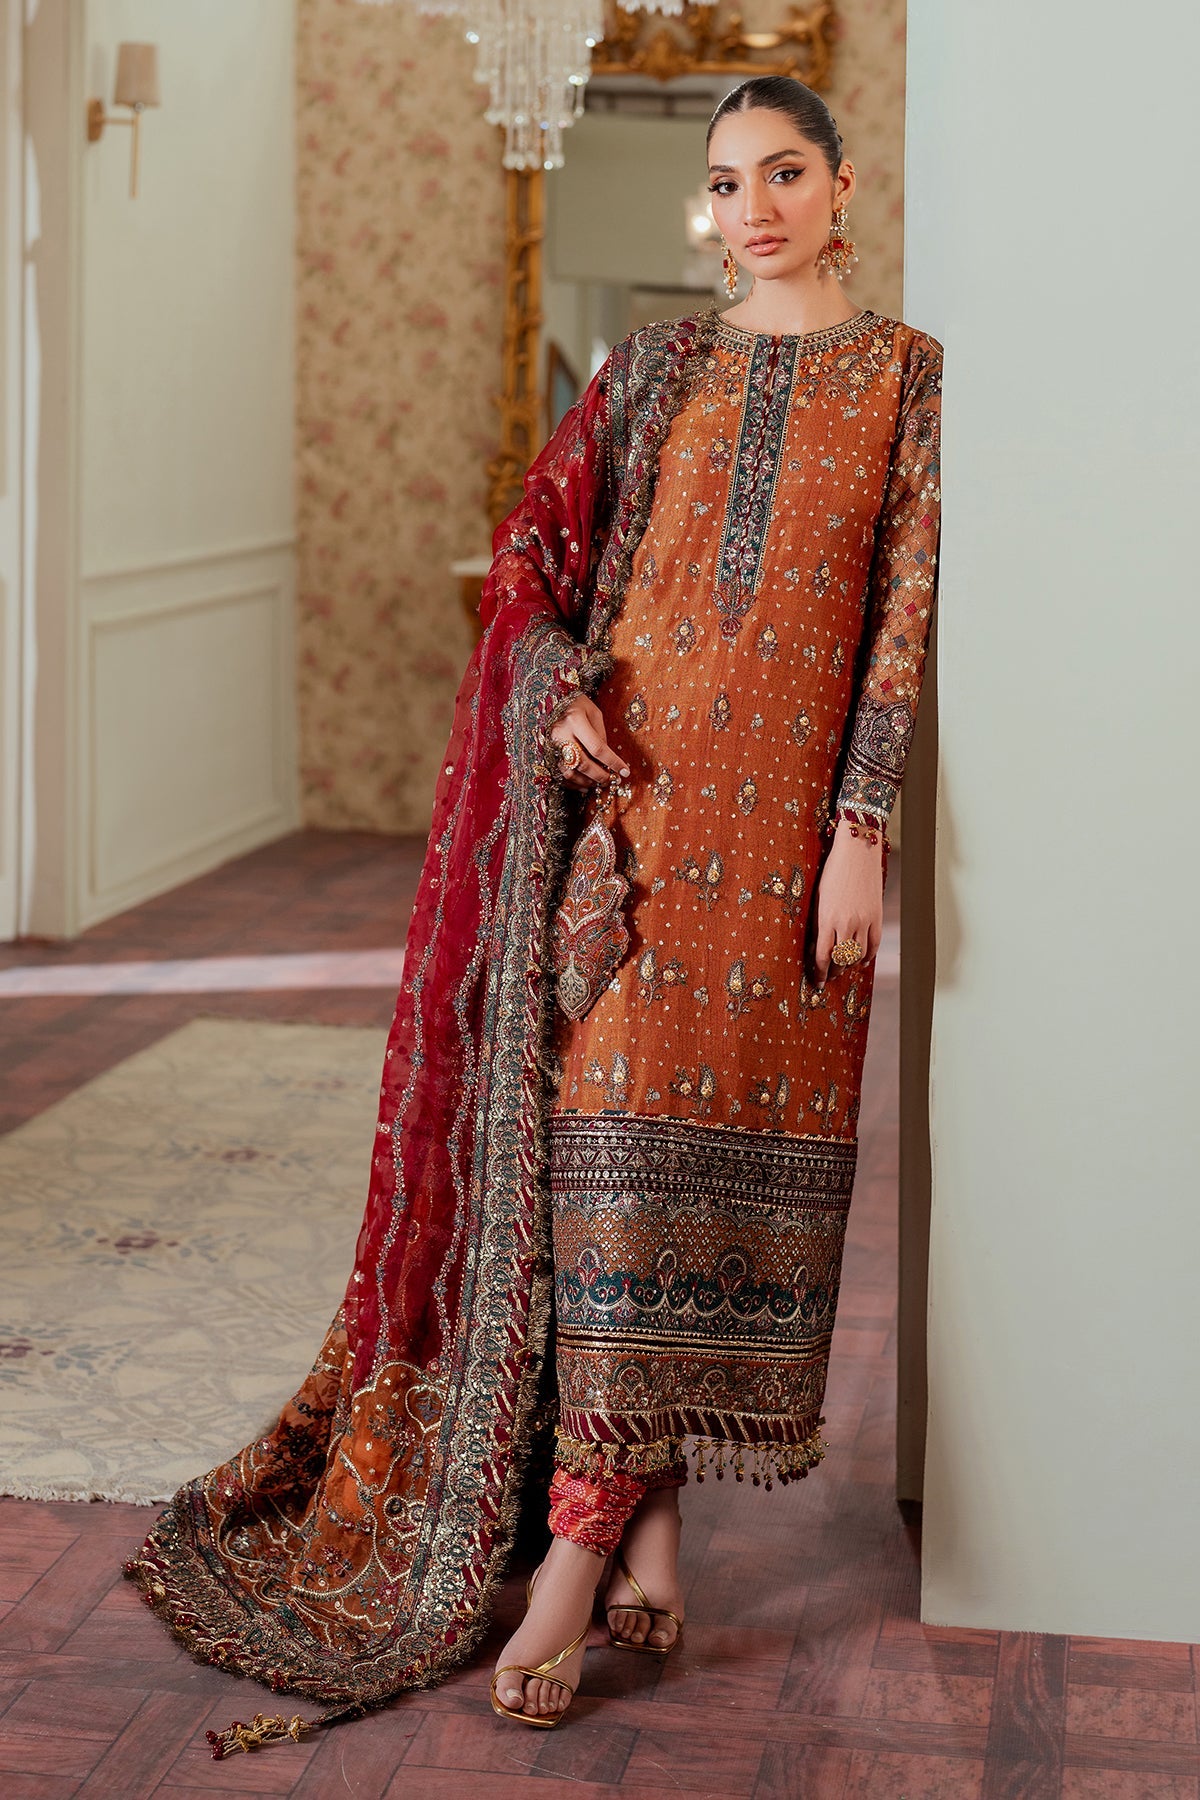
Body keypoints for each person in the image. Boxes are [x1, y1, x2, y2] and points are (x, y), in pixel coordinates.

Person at [125, 74, 942, 1755]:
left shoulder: (909, 379)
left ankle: (650, 1534)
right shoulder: (651, 369)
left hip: (787, 857)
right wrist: (556, 684)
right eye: (729, 182)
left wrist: (861, 833)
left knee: (707, 1200)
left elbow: (900, 616)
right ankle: (578, 1559)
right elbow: (530, 561)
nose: (755, 209)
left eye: (785, 174)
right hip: (628, 838)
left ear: (844, 185)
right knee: (601, 1185)